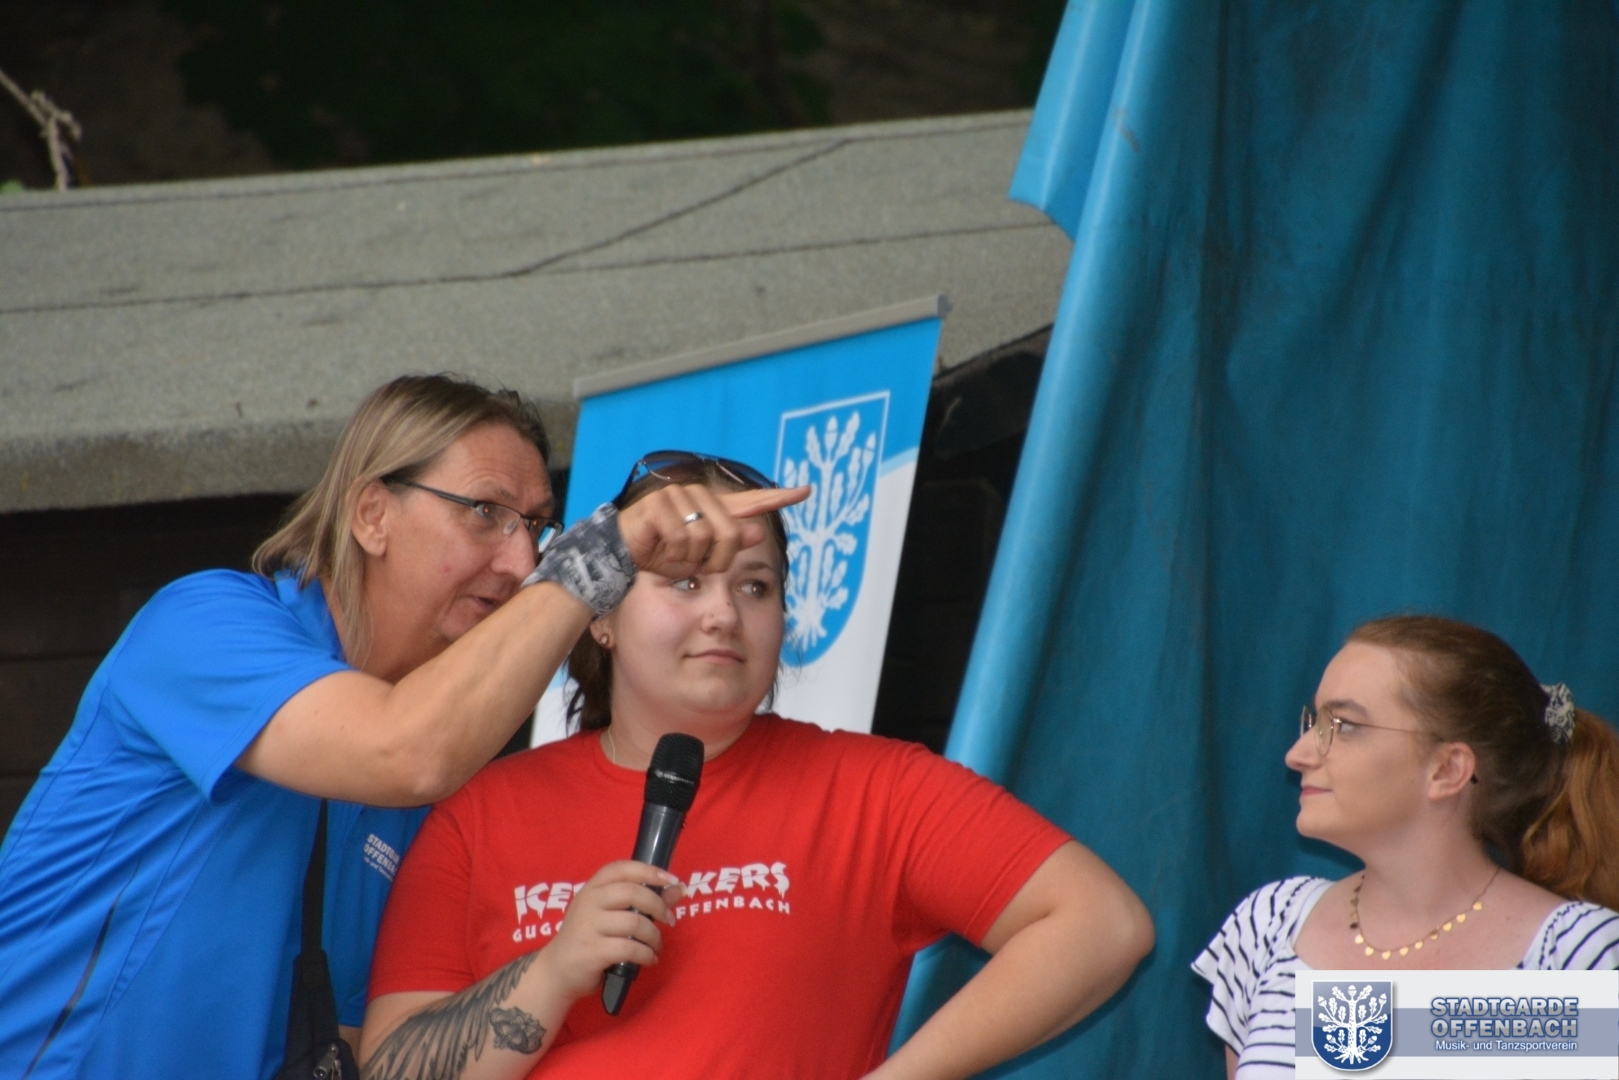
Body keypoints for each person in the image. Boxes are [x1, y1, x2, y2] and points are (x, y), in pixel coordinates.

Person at [0, 377, 805, 1079]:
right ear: (372, 514)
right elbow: (404, 749)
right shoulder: (204, 624)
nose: (521, 562)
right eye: (485, 513)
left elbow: (356, 1043)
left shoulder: (439, 772)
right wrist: (605, 555)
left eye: (536, 528)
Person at [359, 451, 1155, 1080]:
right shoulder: (480, 813)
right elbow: (390, 1069)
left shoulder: (872, 790)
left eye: (754, 585)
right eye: (683, 581)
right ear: (599, 618)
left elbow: (1102, 925)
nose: (722, 613)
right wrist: (553, 971)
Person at [1193, 615, 1619, 1079]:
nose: (1297, 754)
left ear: (1448, 769)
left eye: (1344, 725)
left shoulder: (1572, 956)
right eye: (1315, 722)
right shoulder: (1270, 927)